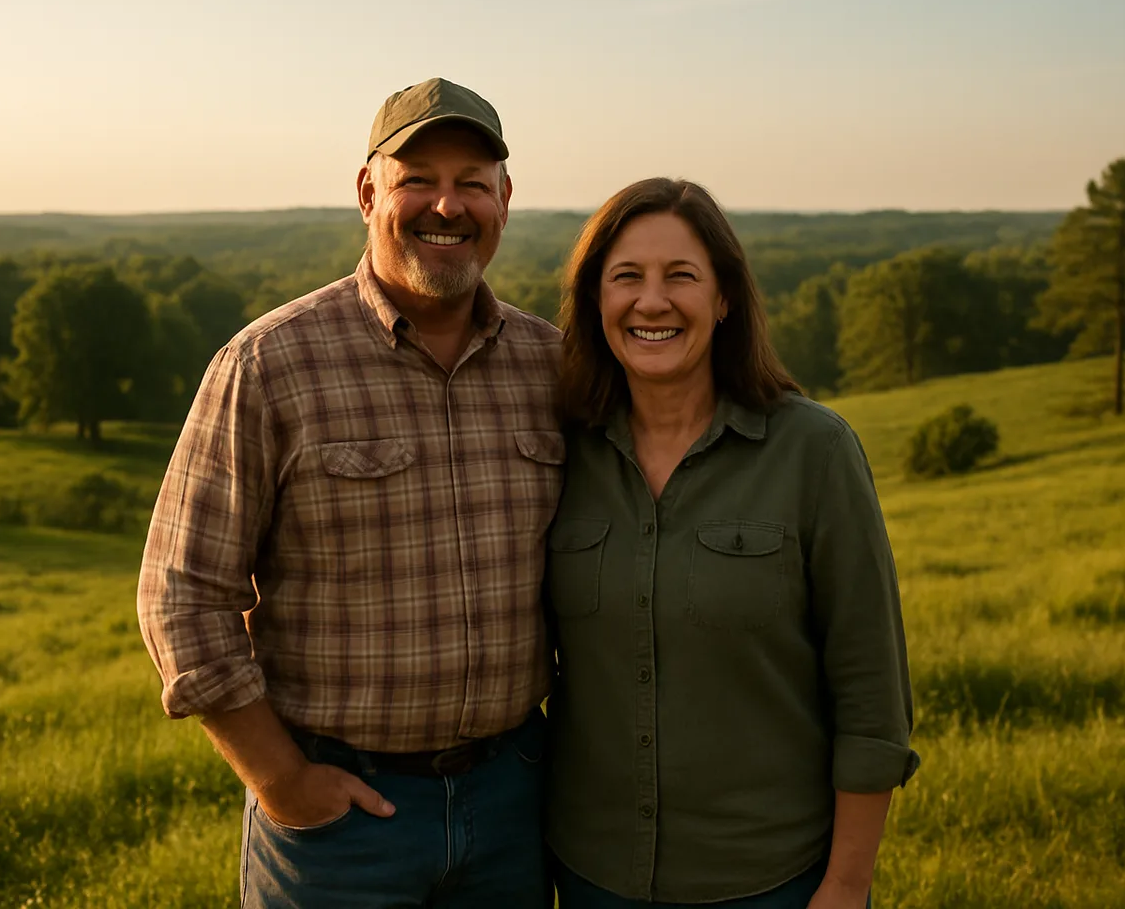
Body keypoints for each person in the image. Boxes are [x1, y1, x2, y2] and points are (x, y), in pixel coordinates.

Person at [136, 77, 565, 909]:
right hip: (339, 825)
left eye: (473, 182)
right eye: (417, 180)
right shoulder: (269, 365)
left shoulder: (551, 367)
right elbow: (181, 595)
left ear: (505, 200)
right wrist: (283, 782)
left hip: (515, 801)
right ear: (368, 193)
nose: (448, 205)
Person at [544, 177, 919, 909]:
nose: (652, 301)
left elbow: (872, 692)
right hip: (593, 877)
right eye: (627, 277)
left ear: (724, 300)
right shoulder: (560, 452)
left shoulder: (814, 451)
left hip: (773, 880)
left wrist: (847, 884)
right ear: (595, 301)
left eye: (681, 276)